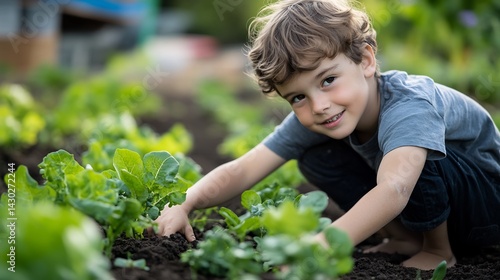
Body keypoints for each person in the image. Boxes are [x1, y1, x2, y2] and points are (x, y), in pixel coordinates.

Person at [155, 0, 500, 270]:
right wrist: (188, 202)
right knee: (315, 154)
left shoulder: (410, 105)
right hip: (437, 206)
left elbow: (395, 189)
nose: (319, 105)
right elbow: (245, 167)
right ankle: (407, 238)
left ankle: (438, 251)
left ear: (365, 60)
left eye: (328, 80)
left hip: (484, 210)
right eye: (298, 97)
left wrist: (323, 244)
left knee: (413, 154)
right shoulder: (328, 113)